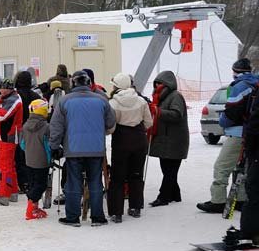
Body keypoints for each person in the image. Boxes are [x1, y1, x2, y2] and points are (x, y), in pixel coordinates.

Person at [50, 71, 116, 226]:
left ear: (73, 83)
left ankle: (73, 217)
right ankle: (98, 217)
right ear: (88, 83)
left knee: (73, 182)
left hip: (73, 148)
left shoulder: (65, 101)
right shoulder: (101, 100)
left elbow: (56, 126)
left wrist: (54, 145)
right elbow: (111, 122)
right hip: (96, 148)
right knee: (95, 182)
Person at [198, 58, 258, 213]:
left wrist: (223, 122)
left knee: (222, 167)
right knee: (241, 167)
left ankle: (218, 201)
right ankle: (240, 200)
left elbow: (231, 112)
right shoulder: (255, 84)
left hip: (238, 134)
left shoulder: (239, 86)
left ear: (235, 71)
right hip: (251, 133)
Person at [106, 73, 153, 223]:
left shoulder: (113, 103)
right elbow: (148, 123)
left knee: (117, 178)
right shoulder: (140, 101)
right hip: (139, 140)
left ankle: (116, 212)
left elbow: (111, 128)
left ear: (117, 86)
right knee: (136, 174)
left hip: (121, 141)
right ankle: (135, 207)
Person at [224, 79, 259, 246]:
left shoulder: (248, 89)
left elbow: (253, 123)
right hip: (247, 140)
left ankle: (250, 232)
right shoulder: (251, 89)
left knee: (253, 188)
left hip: (249, 143)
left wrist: (249, 148)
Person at [147, 70, 189, 207]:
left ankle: (163, 197)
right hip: (164, 140)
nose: (157, 86)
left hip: (175, 140)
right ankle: (175, 195)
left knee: (170, 170)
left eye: (160, 83)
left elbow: (177, 114)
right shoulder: (160, 97)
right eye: (156, 83)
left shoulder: (175, 96)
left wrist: (158, 111)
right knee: (167, 170)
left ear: (168, 84)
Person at [0, 79, 23, 205]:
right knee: (10, 166)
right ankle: (12, 192)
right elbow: (0, 104)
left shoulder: (13, 100)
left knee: (4, 167)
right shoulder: (9, 98)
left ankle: (3, 195)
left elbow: (2, 114)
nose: (0, 91)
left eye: (2, 89)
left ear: (9, 89)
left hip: (7, 137)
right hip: (5, 136)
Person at [20, 99, 51, 219]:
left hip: (29, 160)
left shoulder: (26, 125)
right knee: (41, 185)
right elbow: (48, 145)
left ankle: (34, 207)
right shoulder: (46, 127)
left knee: (33, 183)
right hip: (42, 161)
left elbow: (22, 144)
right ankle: (30, 208)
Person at [14, 70, 41, 191]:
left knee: (19, 157)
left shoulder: (15, 96)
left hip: (18, 130)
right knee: (31, 157)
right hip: (33, 130)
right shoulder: (36, 96)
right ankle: (31, 181)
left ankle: (22, 181)